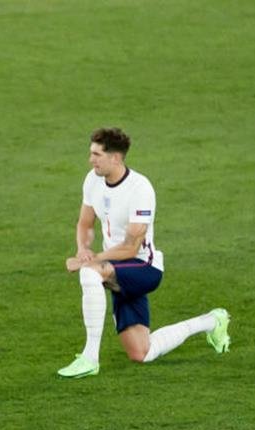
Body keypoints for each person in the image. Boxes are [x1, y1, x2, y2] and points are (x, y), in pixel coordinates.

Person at [58, 127, 230, 378]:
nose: (90, 159)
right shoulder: (92, 180)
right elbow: (84, 224)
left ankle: (89, 358)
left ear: (115, 158)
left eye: (96, 154)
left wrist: (93, 261)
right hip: (117, 270)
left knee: (90, 273)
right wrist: (83, 249)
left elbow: (131, 247)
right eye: (90, 153)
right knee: (141, 353)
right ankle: (212, 321)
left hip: (143, 268)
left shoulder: (140, 189)